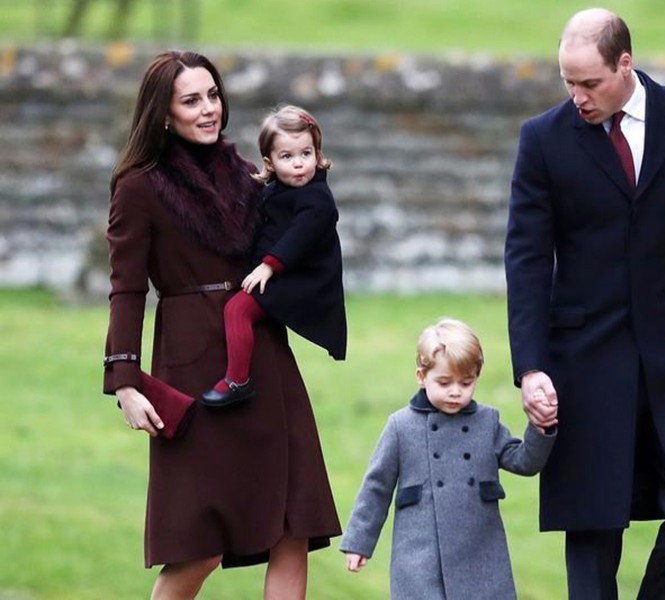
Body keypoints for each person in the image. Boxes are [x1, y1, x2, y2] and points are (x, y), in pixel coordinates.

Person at [504, 8, 665, 599]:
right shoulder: (542, 138)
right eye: (567, 82)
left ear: (626, 63)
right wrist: (530, 365)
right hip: (584, 356)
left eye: (589, 83)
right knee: (594, 523)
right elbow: (525, 259)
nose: (577, 96)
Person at [103, 50, 341, 599]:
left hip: (264, 355)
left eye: (212, 95)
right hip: (191, 367)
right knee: (199, 543)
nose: (208, 109)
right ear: (163, 113)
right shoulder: (139, 186)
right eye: (191, 100)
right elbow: (127, 287)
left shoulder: (247, 173)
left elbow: (306, 229)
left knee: (291, 526)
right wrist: (125, 382)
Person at [339, 318, 556, 600]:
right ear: (421, 376)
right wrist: (359, 543)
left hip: (481, 552)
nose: (456, 391)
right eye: (444, 382)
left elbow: (524, 462)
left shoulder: (487, 422)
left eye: (466, 383)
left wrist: (540, 428)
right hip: (420, 557)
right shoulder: (401, 426)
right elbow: (376, 487)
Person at [200, 105, 346, 407]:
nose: (298, 164)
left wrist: (268, 266)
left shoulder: (317, 199)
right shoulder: (274, 190)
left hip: (303, 281)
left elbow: (299, 237)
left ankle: (237, 381)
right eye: (287, 157)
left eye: (306, 154)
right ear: (270, 162)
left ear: (317, 154)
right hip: (283, 274)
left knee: (237, 310)